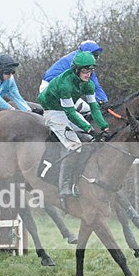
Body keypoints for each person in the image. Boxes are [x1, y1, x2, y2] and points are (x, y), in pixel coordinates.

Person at [38, 51, 109, 198]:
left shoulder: (88, 85)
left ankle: (78, 178)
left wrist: (103, 126)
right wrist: (88, 128)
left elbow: (94, 107)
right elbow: (70, 113)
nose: (88, 74)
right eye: (84, 70)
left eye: (90, 70)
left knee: (90, 140)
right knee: (75, 146)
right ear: (76, 69)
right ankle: (64, 186)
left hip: (65, 108)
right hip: (53, 111)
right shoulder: (65, 84)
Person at [40, 40, 108, 114]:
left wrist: (103, 100)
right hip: (52, 89)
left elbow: (94, 84)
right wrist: (102, 100)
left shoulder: (81, 60)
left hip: (57, 87)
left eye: (97, 55)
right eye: (95, 55)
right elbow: (93, 84)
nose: (96, 58)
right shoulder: (78, 62)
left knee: (87, 109)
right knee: (85, 110)